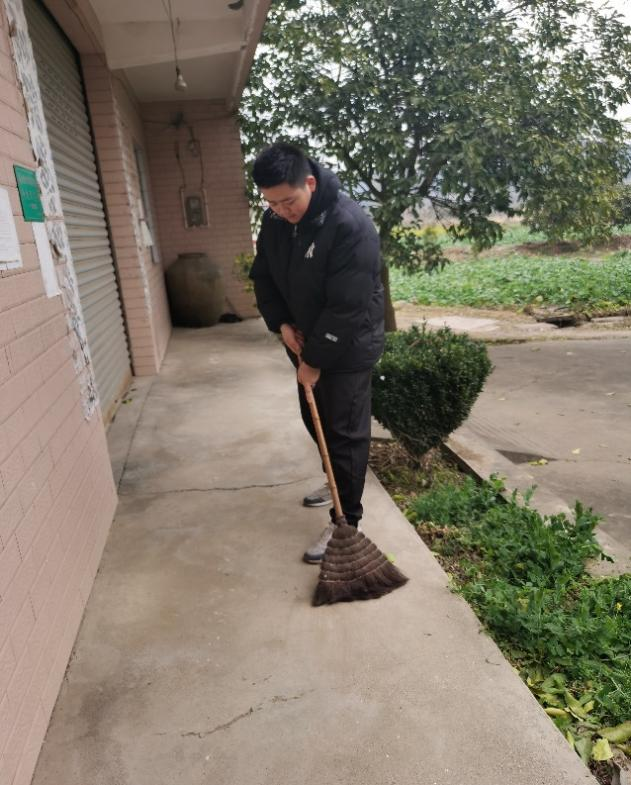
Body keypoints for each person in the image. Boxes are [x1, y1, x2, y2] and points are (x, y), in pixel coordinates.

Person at [249, 143, 384, 563]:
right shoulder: (276, 221)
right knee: (315, 419)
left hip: (348, 345)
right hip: (306, 340)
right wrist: (282, 324)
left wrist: (313, 362)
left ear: (309, 182)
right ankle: (337, 480)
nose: (281, 211)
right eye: (271, 203)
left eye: (288, 201)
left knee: (344, 433)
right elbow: (263, 276)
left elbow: (347, 306)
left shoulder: (349, 225)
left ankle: (347, 520)